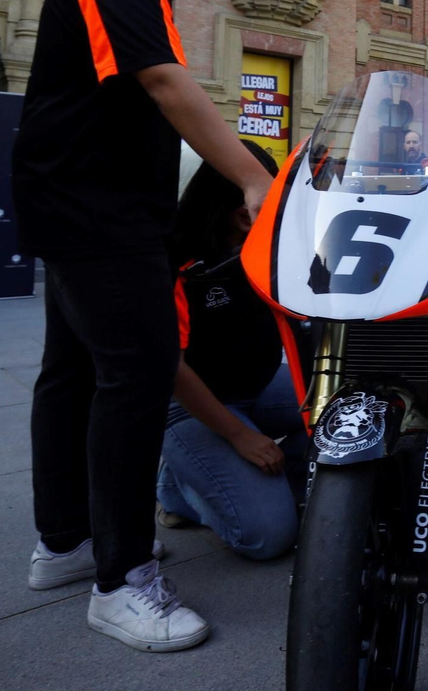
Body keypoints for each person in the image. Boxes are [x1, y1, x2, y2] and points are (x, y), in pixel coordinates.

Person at [14, 0, 273, 653]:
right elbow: (166, 84)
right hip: (100, 213)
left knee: (73, 373)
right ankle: (122, 582)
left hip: (81, 206)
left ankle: (65, 543)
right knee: (137, 375)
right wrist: (252, 176)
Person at [155, 141, 306, 559]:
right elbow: (171, 367)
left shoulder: (265, 248)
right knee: (269, 535)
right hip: (188, 405)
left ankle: (231, 478)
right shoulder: (177, 265)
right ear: (240, 211)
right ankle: (177, 491)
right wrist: (240, 437)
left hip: (257, 385)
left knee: (347, 412)